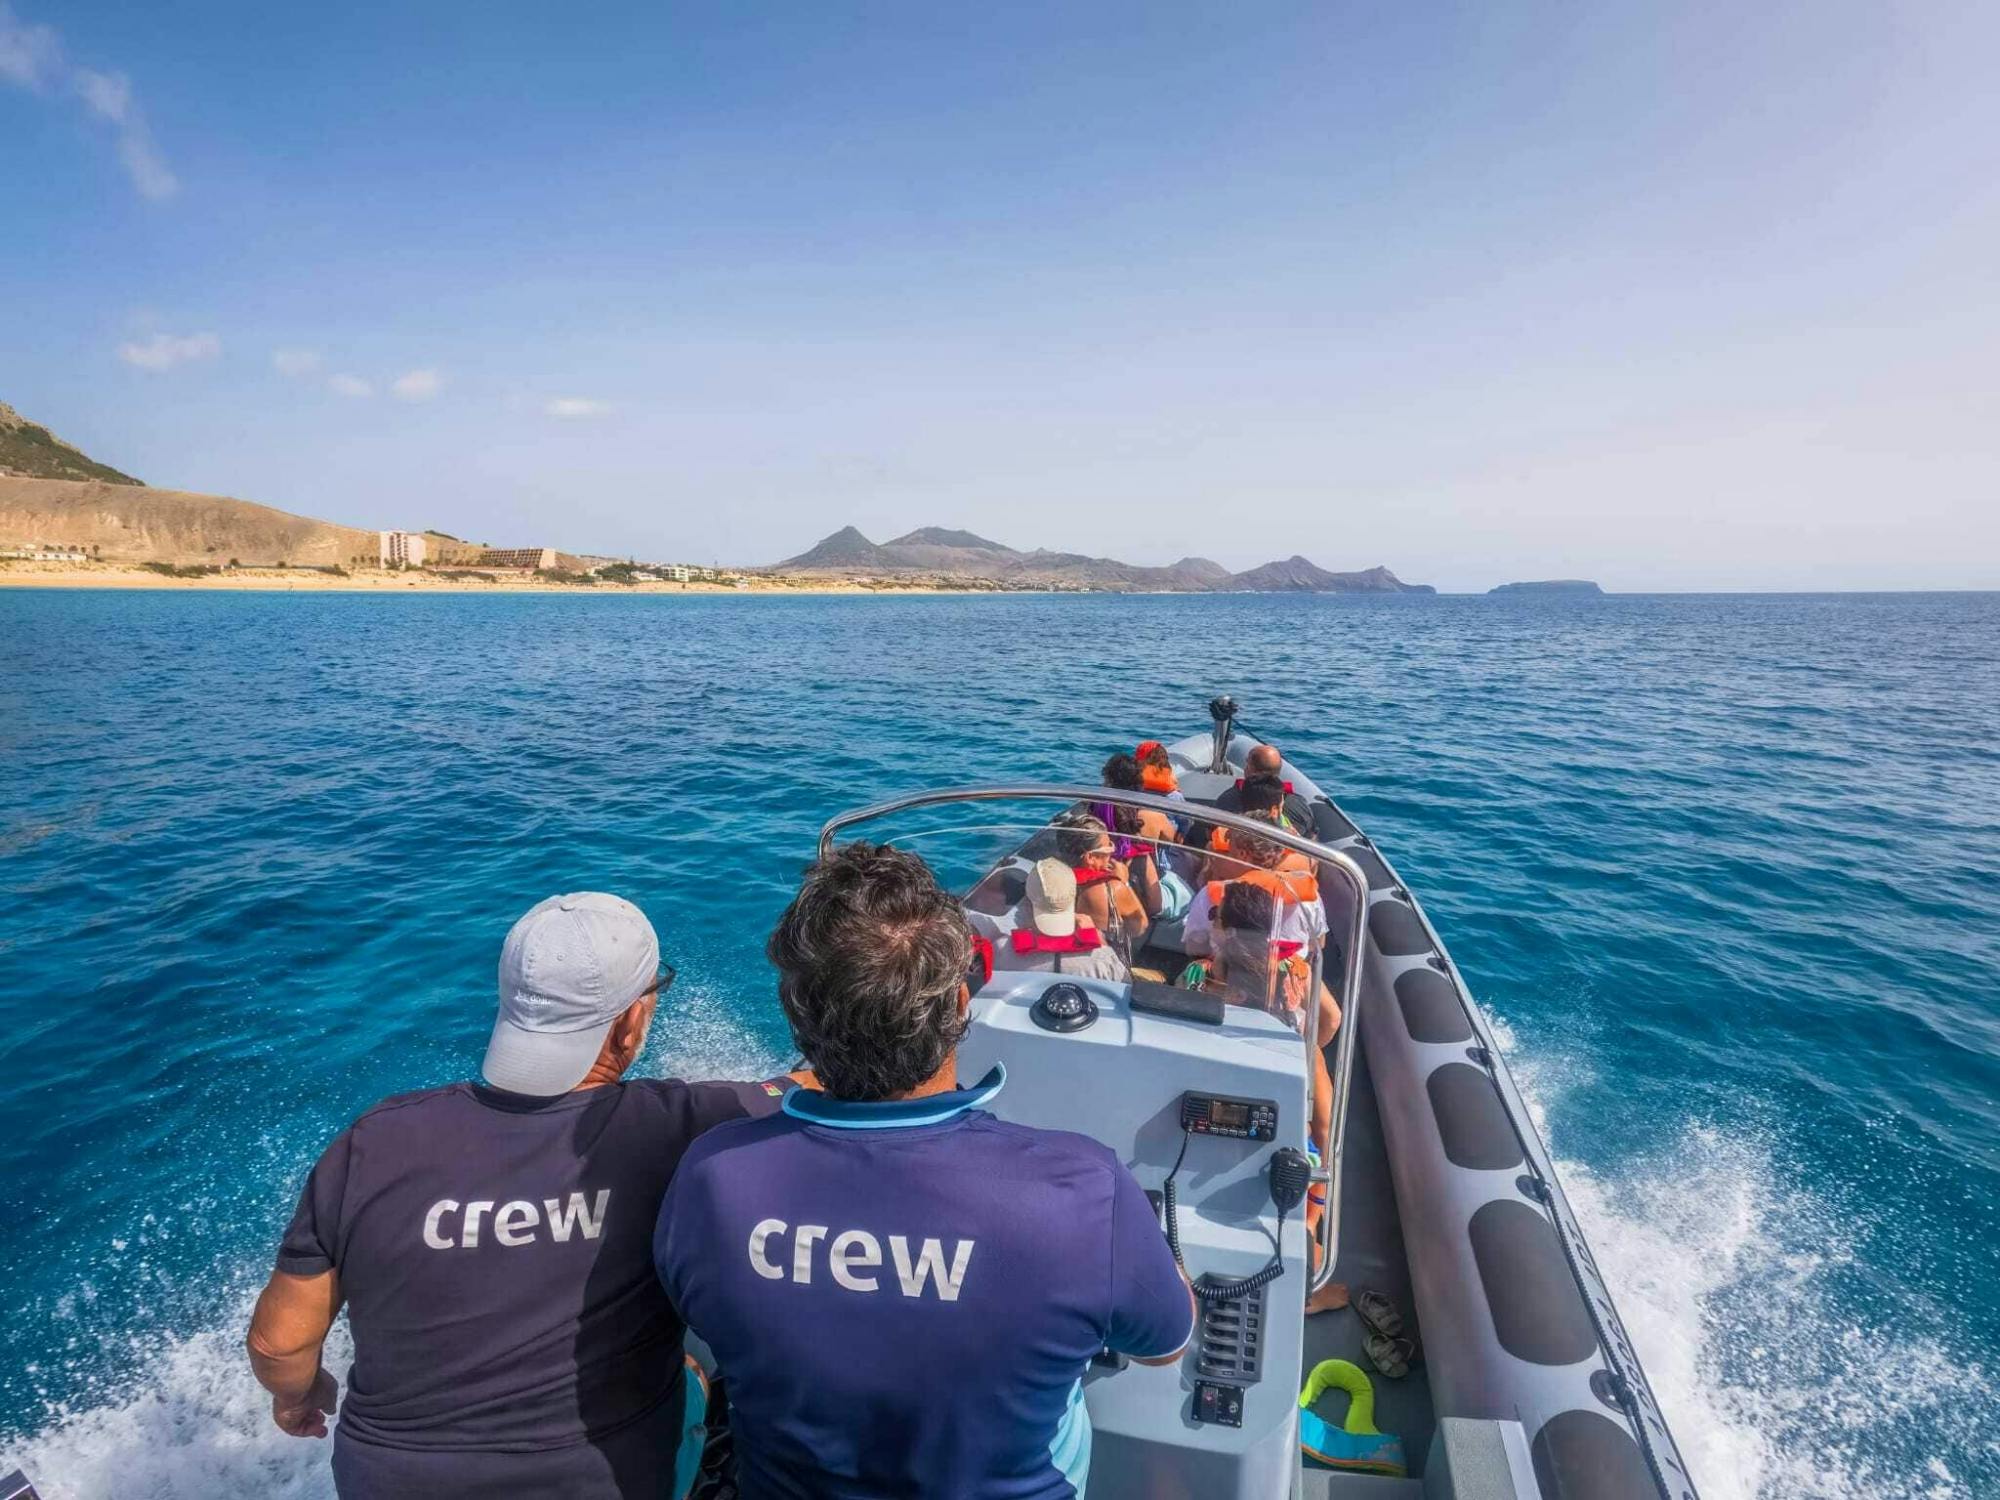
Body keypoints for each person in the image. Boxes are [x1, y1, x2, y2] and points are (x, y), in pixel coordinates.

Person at [654, 844, 1193, 1499]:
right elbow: (1166, 1344)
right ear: (960, 1004)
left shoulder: (713, 1179)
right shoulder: (1083, 1193)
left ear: (799, 1018)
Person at [247, 893, 785, 1499]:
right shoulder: (676, 1123)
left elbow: (279, 1342)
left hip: (390, 1482)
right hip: (601, 1483)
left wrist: (300, 1396)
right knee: (697, 1364)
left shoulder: (373, 1140)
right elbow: (808, 1090)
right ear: (631, 1021)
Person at [987, 857, 1131, 982]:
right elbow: (1125, 986)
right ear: (1073, 897)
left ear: (1028, 901)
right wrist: (1101, 942)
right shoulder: (1102, 961)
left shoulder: (1002, 952)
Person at [1051, 809, 1156, 961]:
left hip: (1061, 962)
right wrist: (1124, 882)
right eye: (1108, 847)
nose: (1112, 853)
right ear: (1090, 857)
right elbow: (1140, 928)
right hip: (1107, 969)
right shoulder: (1113, 888)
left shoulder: (1048, 882)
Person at [1214, 745, 1315, 830]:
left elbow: (1211, 831)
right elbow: (1311, 835)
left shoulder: (1229, 800)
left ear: (1250, 768)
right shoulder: (1299, 805)